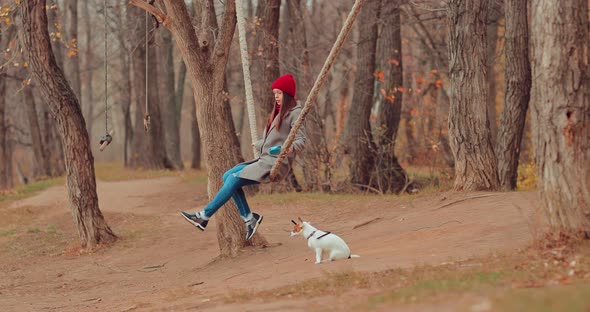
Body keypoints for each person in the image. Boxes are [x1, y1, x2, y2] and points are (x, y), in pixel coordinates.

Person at [181, 74, 307, 240]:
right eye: (275, 93)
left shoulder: (295, 113)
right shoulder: (278, 112)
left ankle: (204, 215)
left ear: (288, 94)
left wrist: (284, 149)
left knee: (233, 178)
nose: (276, 97)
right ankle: (249, 218)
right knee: (227, 176)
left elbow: (301, 141)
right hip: (264, 160)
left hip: (275, 164)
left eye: (279, 93)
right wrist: (260, 143)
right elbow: (274, 138)